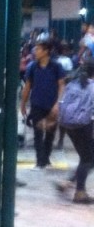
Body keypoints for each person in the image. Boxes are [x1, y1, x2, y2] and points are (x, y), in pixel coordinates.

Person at [20, 38, 66, 169]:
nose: (35, 51)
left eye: (38, 49)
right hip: (37, 104)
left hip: (52, 105)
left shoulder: (56, 67)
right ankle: (40, 161)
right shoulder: (32, 67)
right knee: (38, 133)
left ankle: (46, 159)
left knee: (50, 133)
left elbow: (61, 85)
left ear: (46, 51)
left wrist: (58, 103)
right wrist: (23, 103)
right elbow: (27, 86)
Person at [55, 61, 94, 204]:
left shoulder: (73, 83)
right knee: (87, 159)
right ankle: (80, 192)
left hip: (68, 125)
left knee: (88, 158)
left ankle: (68, 182)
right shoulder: (92, 86)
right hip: (84, 125)